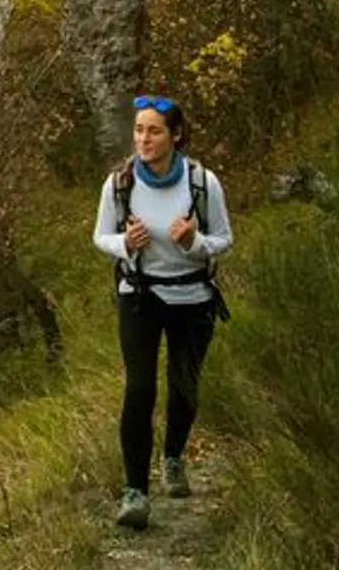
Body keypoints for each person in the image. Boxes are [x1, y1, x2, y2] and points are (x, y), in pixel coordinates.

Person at [92, 94, 232, 530]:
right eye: (138, 130)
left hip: (193, 297)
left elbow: (225, 238)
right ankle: (135, 492)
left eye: (153, 131)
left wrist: (195, 243)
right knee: (139, 391)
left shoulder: (202, 183)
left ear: (175, 135)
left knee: (184, 388)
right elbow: (100, 236)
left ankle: (172, 457)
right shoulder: (120, 184)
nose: (143, 139)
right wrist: (124, 244)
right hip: (140, 295)